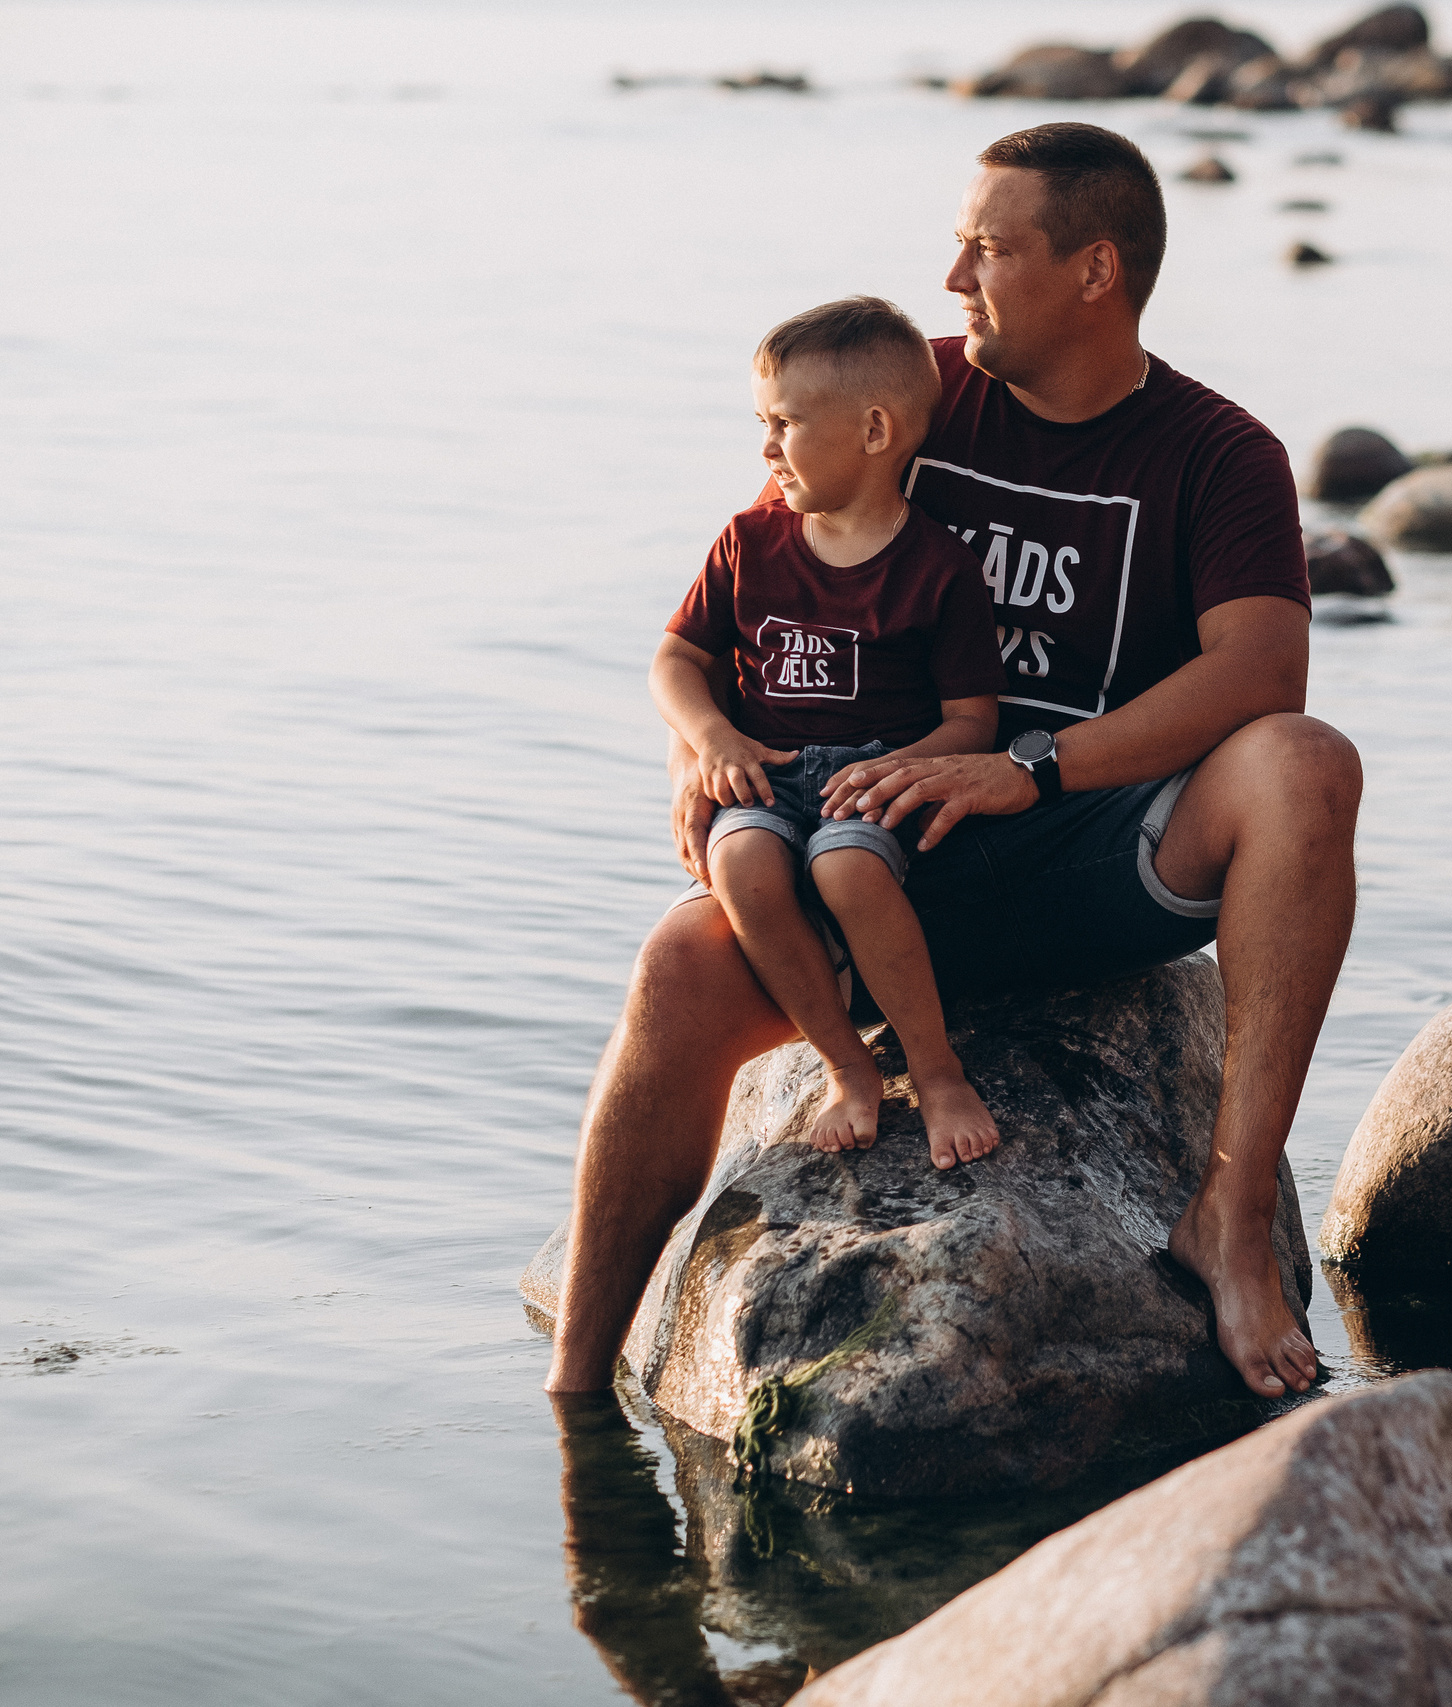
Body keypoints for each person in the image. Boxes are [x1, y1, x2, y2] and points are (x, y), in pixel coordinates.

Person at [544, 121, 1360, 1403]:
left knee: (1303, 763)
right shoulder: (902, 396)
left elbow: (1262, 678)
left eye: (987, 247)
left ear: (1094, 272)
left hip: (1091, 853)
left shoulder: (1217, 454)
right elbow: (752, 586)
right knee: (678, 961)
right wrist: (697, 755)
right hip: (869, 844)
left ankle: (1231, 1210)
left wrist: (1028, 769)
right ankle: (578, 1388)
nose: (952, 277)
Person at [652, 295, 1003, 1168]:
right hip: (764, 771)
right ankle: (847, 1066)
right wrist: (711, 741)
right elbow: (674, 661)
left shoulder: (937, 569)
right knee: (741, 864)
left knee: (844, 865)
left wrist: (904, 767)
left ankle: (936, 1070)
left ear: (876, 430)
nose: (766, 447)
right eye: (762, 423)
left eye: (785, 424)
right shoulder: (749, 542)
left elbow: (973, 721)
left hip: (871, 778)